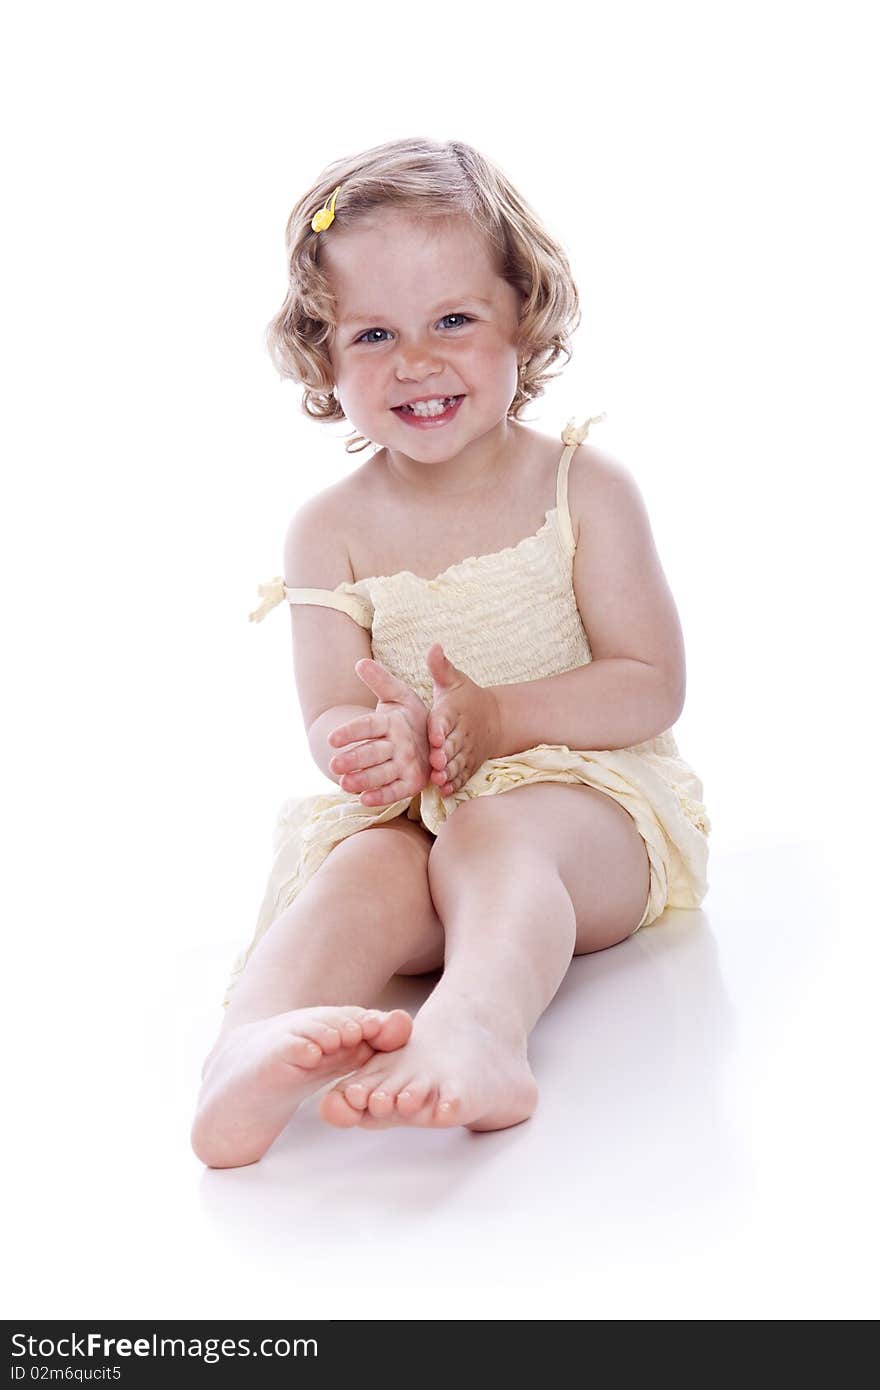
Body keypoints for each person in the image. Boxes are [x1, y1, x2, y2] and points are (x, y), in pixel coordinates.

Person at [191, 137, 711, 1169]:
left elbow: (648, 685)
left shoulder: (581, 490)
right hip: (420, 812)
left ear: (522, 314)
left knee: (495, 833)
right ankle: (242, 1050)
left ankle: (476, 1027)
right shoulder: (327, 528)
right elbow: (329, 714)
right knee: (360, 872)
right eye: (374, 332)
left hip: (587, 814)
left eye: (453, 321)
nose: (414, 361)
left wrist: (501, 721)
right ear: (323, 354)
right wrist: (371, 745)